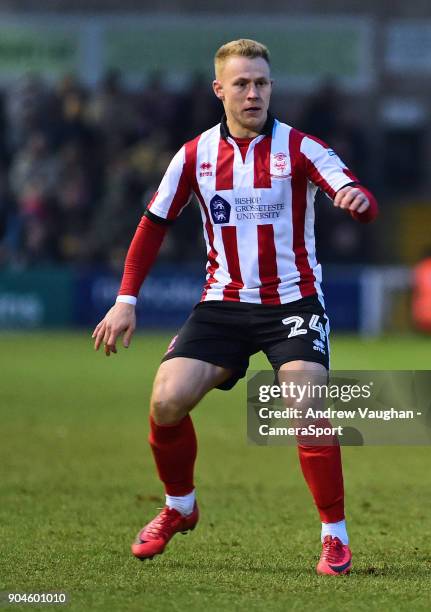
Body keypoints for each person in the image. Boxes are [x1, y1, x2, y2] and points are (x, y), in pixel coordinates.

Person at [92, 39, 378, 576]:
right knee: (166, 401)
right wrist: (125, 300)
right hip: (221, 305)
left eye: (262, 83)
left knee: (305, 400)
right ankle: (180, 507)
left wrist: (358, 203)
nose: (254, 93)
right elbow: (153, 225)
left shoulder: (301, 149)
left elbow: (353, 190)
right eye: (242, 84)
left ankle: (334, 537)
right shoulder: (194, 155)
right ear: (219, 90)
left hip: (292, 303)